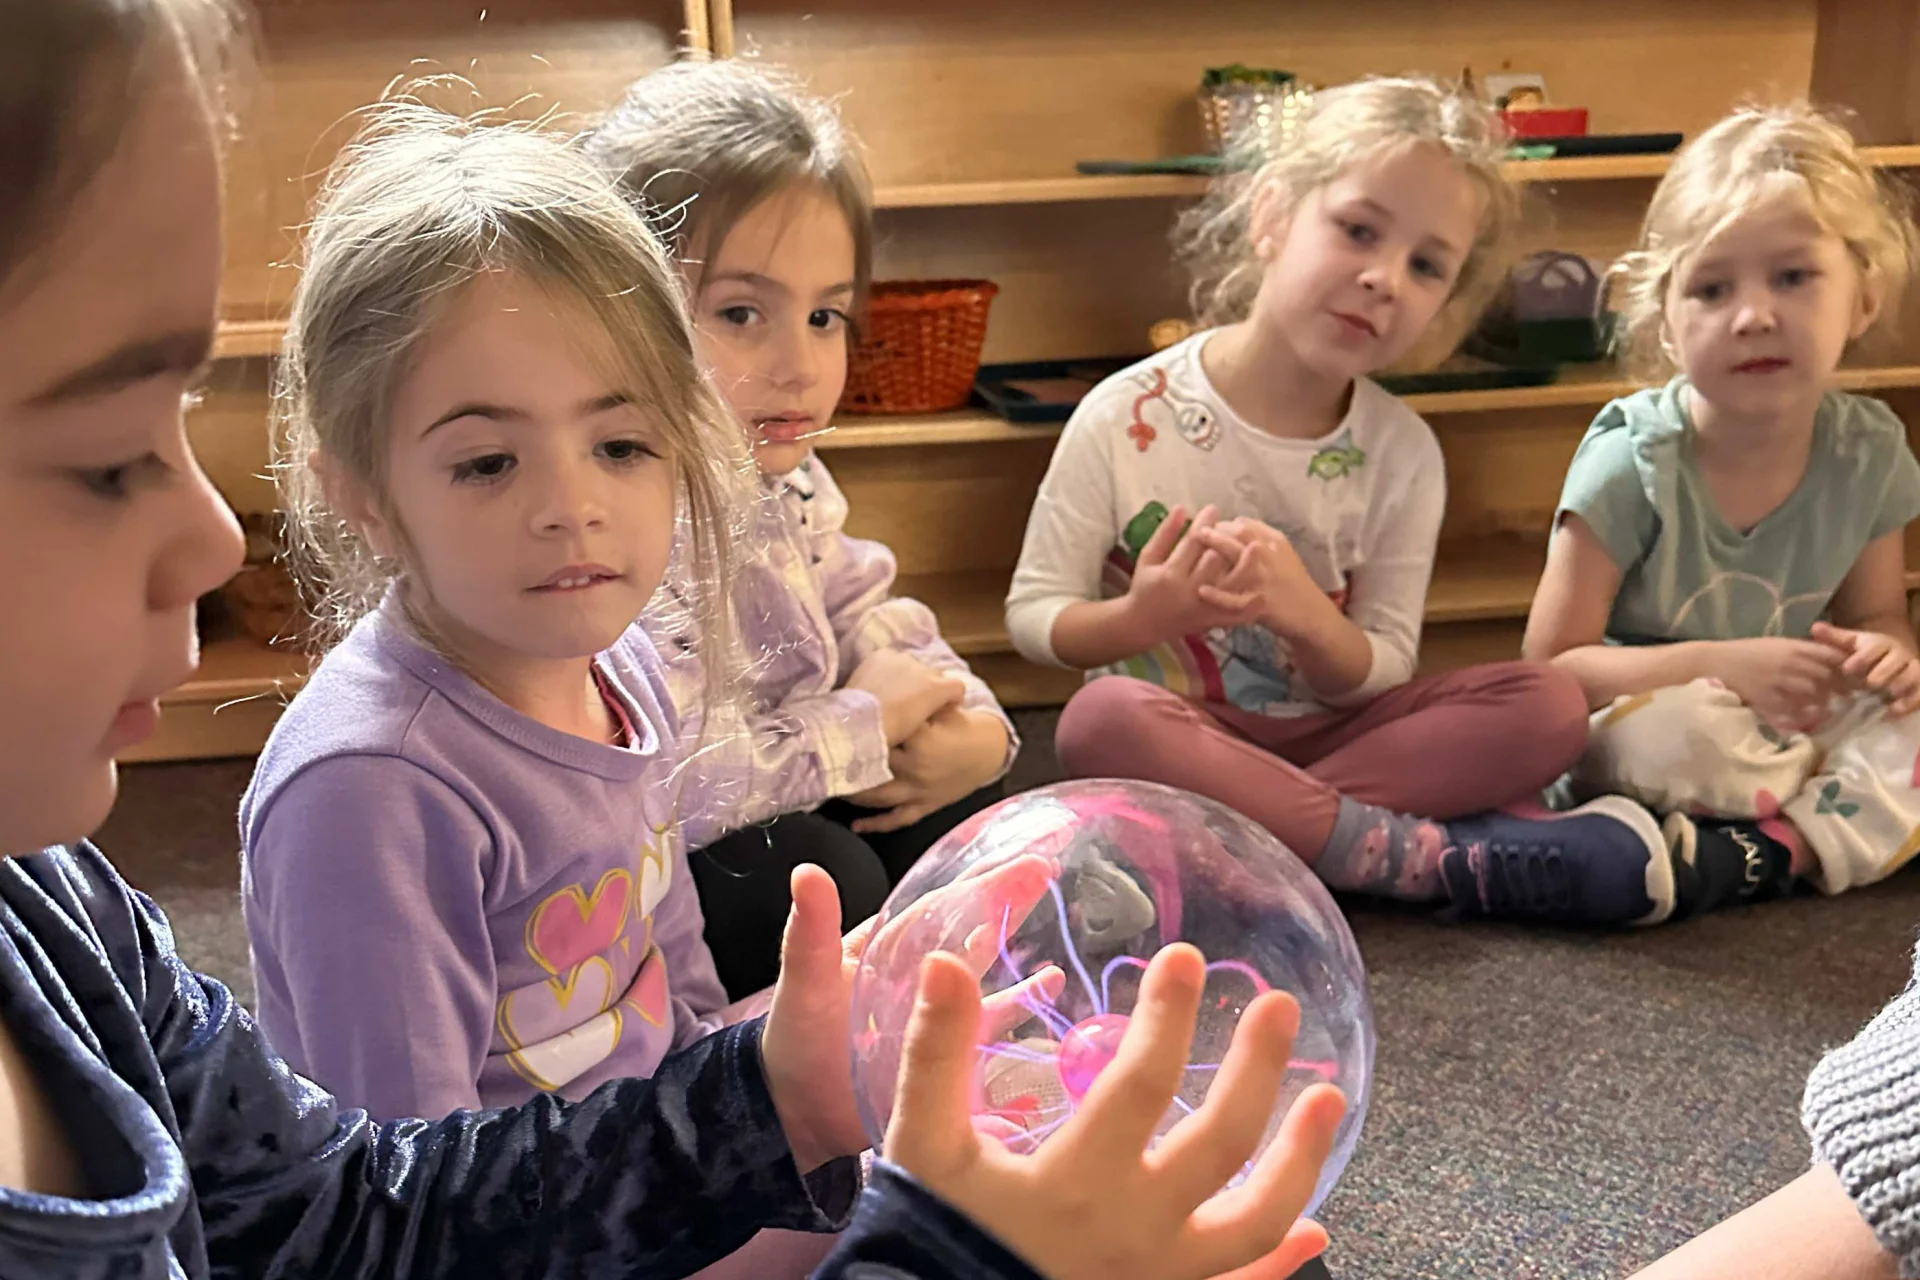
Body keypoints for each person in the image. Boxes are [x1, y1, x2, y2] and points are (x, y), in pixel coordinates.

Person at [0, 2, 1344, 1276]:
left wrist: (784, 1068)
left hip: (640, 1160)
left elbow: (666, 983)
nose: (574, 505)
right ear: (362, 490)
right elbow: (407, 1199)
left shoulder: (74, 913)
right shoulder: (366, 791)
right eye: (484, 465)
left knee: (1063, 1131)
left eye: (624, 443)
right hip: (564, 1224)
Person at [1007, 75, 1663, 927]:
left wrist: (1306, 617)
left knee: (1549, 705)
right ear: (1272, 216)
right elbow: (1034, 617)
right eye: (1357, 230)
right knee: (1099, 717)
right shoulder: (1125, 415)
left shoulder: (1402, 452)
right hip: (1176, 738)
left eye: (1427, 266)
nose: (1384, 278)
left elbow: (1382, 669)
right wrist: (1141, 615)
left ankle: (1242, 847)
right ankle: (1405, 858)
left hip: (1338, 741)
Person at [585, 59, 1018, 999]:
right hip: (655, 855)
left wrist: (966, 713)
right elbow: (676, 790)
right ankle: (847, 1035)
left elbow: (867, 600)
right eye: (742, 313)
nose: (801, 363)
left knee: (971, 799)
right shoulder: (607, 517)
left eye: (826, 315)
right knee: (818, 882)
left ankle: (936, 989)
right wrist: (868, 722)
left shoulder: (788, 474)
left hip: (802, 764)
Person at [1524, 104, 1920, 921]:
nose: (1753, 315)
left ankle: (1768, 851)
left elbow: (1879, 614)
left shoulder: (1870, 448)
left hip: (1793, 720)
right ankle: (1821, 828)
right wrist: (1722, 664)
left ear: (1865, 300)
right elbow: (1550, 669)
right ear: (1666, 323)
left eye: (1793, 277)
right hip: (1648, 718)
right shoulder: (1632, 460)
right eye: (1712, 288)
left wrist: (1888, 656)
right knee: (1678, 736)